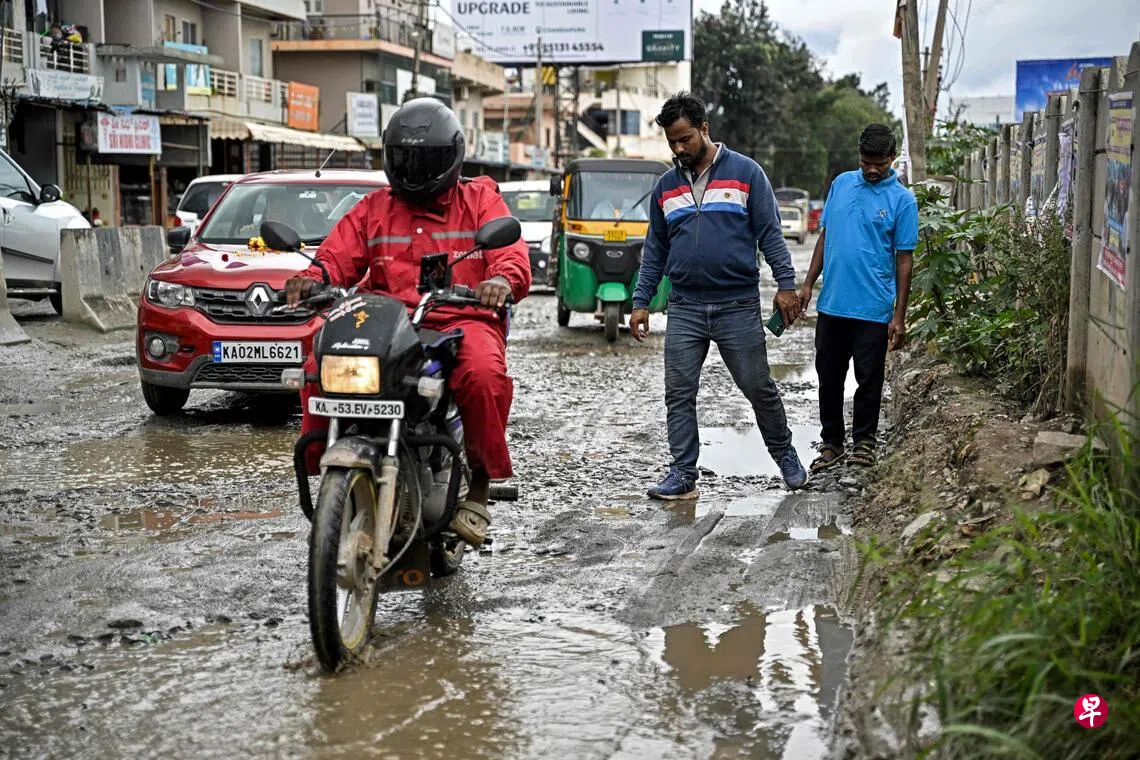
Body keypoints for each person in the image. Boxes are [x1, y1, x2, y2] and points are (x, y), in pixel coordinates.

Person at [284, 98, 531, 546]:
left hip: (461, 317)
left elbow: (510, 255)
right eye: (405, 159)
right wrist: (312, 278)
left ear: (451, 157)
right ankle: (326, 461)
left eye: (426, 160)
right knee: (320, 354)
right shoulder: (374, 208)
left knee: (482, 374)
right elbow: (336, 256)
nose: (415, 170)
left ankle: (479, 482)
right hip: (388, 320)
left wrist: (500, 279)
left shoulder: (479, 198)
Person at [630, 91, 808, 500]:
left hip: (737, 306)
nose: (678, 149)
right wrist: (641, 302)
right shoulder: (665, 188)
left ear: (704, 129)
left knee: (758, 386)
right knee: (678, 392)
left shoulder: (747, 173)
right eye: (672, 142)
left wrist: (785, 285)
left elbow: (771, 234)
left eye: (685, 139)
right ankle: (682, 473)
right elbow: (655, 249)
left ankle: (786, 458)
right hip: (686, 307)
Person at [798, 123, 918, 471]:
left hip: (873, 308)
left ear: (892, 158)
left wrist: (899, 315)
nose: (872, 169)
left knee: (870, 379)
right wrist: (808, 283)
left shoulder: (902, 201)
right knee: (828, 377)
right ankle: (832, 444)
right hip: (833, 304)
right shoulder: (840, 184)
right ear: (859, 156)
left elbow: (905, 259)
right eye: (866, 161)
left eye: (879, 162)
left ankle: (864, 443)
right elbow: (825, 237)